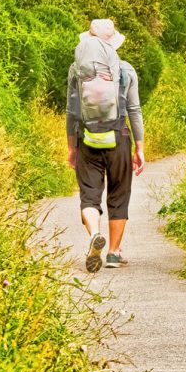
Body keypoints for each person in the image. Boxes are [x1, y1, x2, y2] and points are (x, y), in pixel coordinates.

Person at [66, 19, 146, 273]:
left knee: (89, 195)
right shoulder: (126, 70)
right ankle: (113, 253)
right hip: (119, 136)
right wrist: (140, 148)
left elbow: (71, 112)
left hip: (86, 137)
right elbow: (134, 110)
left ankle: (93, 236)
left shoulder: (75, 70)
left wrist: (71, 147)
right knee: (119, 194)